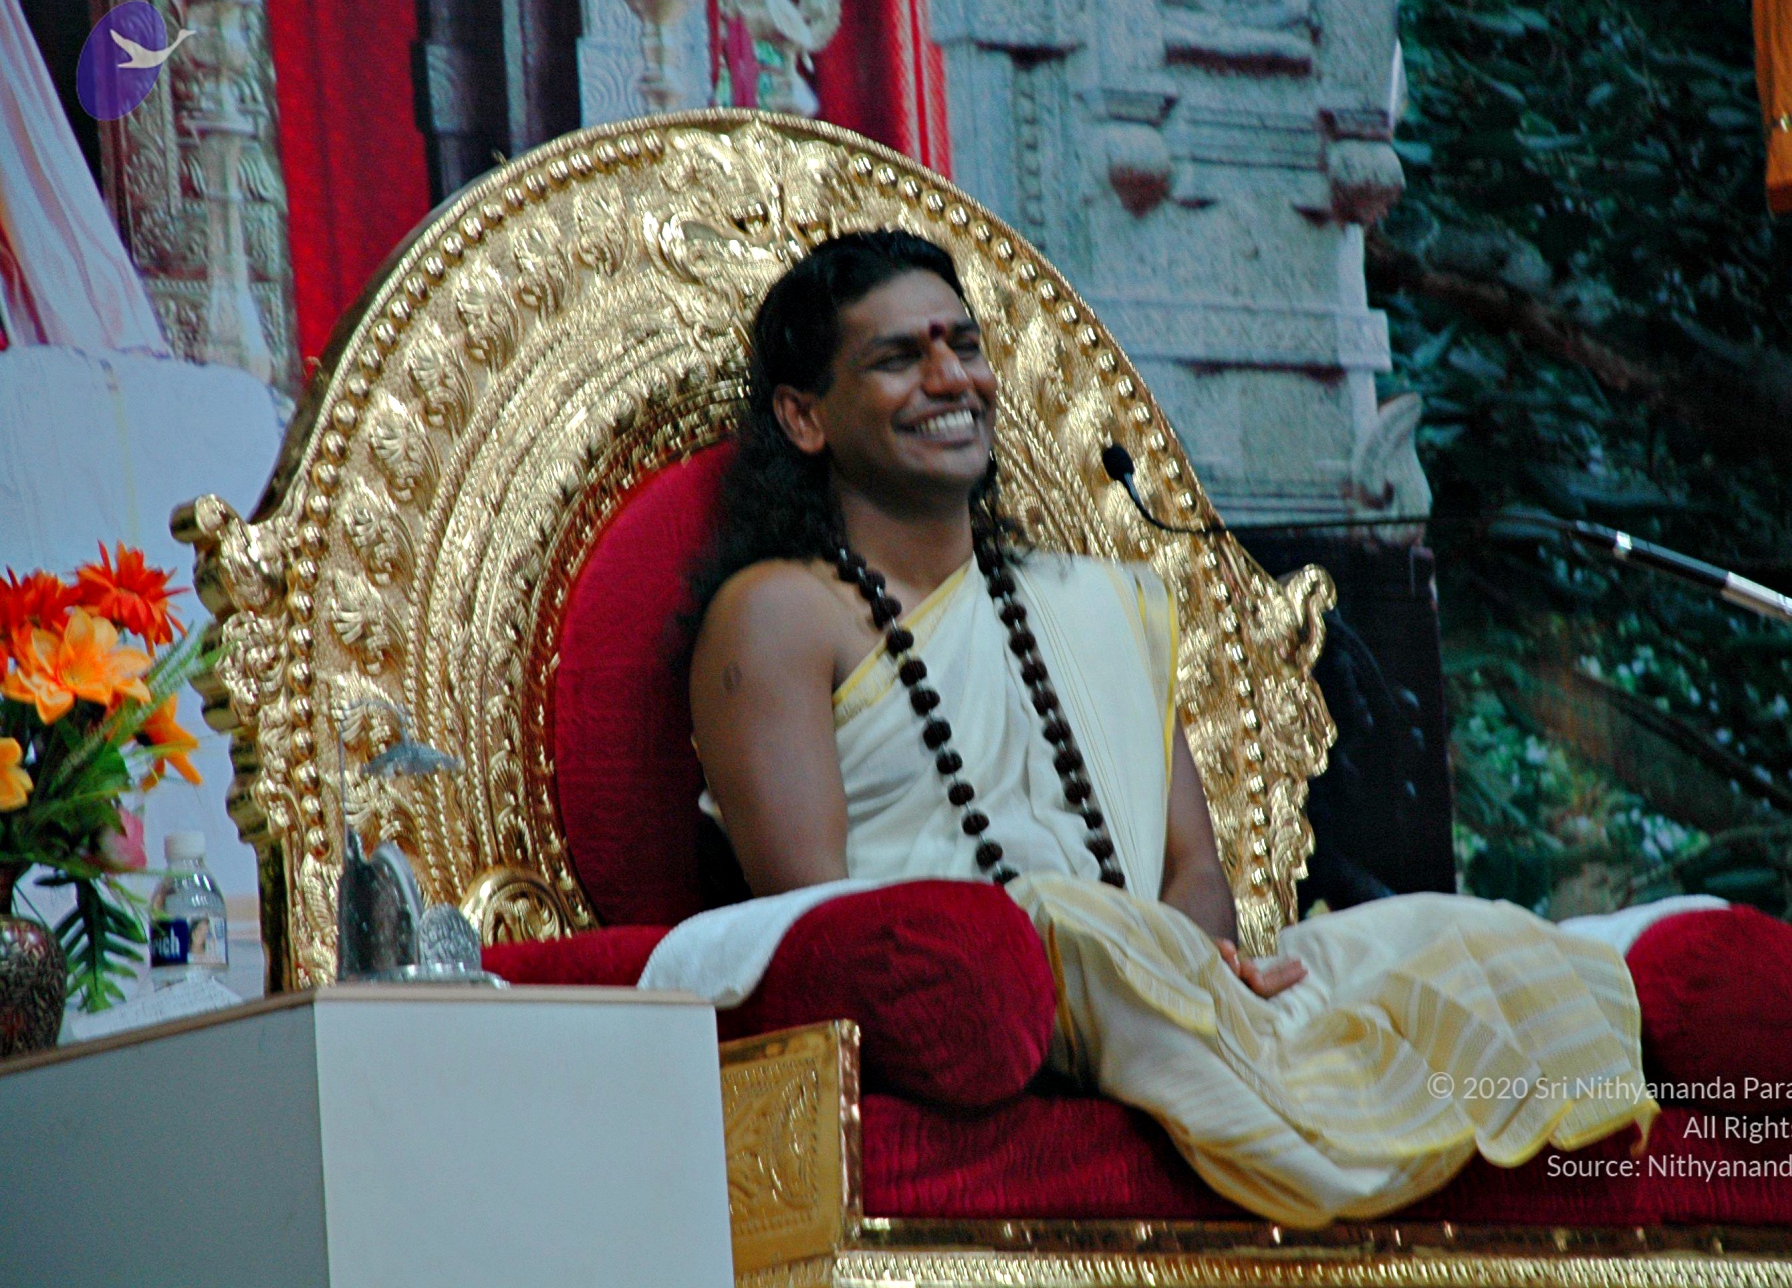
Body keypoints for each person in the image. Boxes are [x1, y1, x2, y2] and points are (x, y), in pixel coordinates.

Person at [651, 229, 1658, 1225]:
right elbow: (820, 922)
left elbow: (1192, 869)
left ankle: (1281, 1072)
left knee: (1452, 937)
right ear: (804, 416)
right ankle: (1308, 1106)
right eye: (896, 358)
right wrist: (1094, 963)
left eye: (963, 344)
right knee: (1069, 922)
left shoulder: (1096, 605)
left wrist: (1195, 967)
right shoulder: (777, 613)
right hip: (986, 995)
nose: (950, 378)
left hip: (1158, 984)